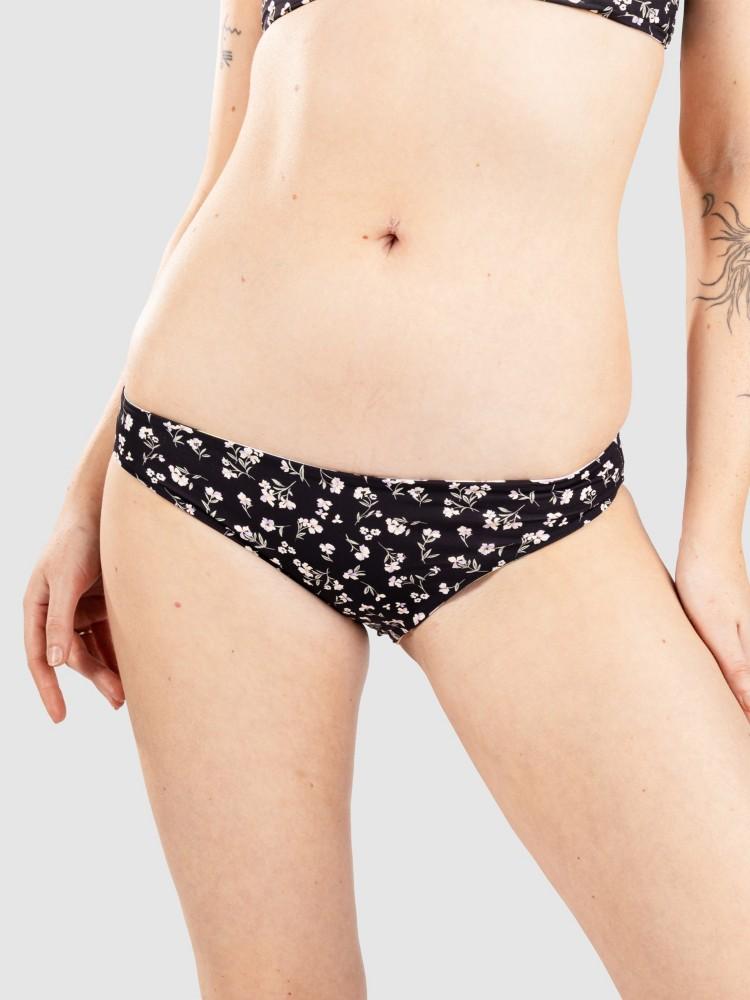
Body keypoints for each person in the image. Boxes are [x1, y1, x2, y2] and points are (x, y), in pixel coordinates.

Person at [22, 1, 750, 996]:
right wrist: (85, 485)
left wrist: (713, 538)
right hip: (211, 466)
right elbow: (229, 156)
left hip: (529, 512)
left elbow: (728, 173)